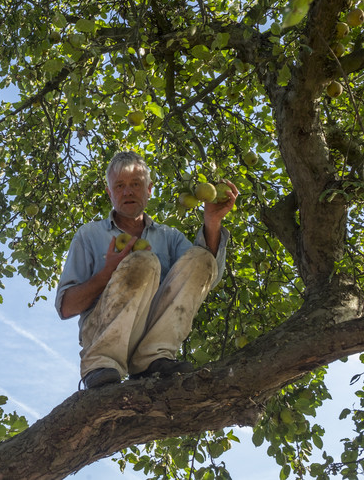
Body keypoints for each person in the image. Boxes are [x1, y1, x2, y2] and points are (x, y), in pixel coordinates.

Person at [55, 151, 238, 389]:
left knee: (200, 257)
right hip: (102, 334)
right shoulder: (89, 235)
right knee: (144, 261)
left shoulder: (169, 237)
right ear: (110, 193)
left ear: (149, 189)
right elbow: (66, 307)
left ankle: (153, 359)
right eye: (119, 185)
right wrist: (107, 273)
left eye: (135, 184)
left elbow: (204, 278)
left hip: (151, 332)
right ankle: (100, 364)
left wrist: (211, 223)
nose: (127, 191)